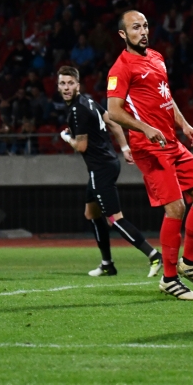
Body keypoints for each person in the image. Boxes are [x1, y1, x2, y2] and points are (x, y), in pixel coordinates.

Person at [106, 10, 193, 301]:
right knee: (176, 208)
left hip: (171, 142)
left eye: (145, 26)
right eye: (135, 27)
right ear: (123, 34)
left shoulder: (156, 56)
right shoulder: (120, 68)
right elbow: (114, 111)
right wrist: (145, 128)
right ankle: (169, 279)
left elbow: (166, 96)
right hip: (149, 147)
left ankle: (188, 263)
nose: (143, 32)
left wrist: (184, 124)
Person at [57, 66, 163, 277]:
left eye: (70, 83)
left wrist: (66, 137)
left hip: (100, 169)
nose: (66, 87)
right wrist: (124, 148)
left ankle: (154, 255)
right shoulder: (88, 101)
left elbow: (81, 146)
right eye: (62, 83)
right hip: (109, 163)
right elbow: (112, 121)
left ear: (78, 85)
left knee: (114, 219)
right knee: (91, 213)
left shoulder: (77, 110)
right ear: (58, 87)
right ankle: (107, 264)